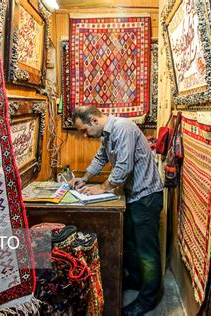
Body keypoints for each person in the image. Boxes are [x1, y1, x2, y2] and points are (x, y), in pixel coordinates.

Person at [71, 106, 164, 315]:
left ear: (94, 120)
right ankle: (137, 279)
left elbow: (124, 166)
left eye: (84, 130)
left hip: (146, 196)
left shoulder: (123, 128)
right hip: (133, 195)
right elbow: (100, 158)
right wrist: (85, 178)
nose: (84, 135)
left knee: (147, 252)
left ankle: (147, 299)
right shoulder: (107, 134)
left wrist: (101, 188)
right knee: (131, 242)